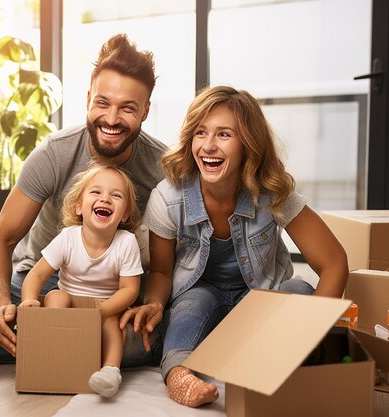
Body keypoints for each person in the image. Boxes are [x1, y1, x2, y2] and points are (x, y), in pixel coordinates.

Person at [120, 85, 349, 408]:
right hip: (202, 297)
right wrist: (156, 302)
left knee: (299, 288)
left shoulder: (272, 192)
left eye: (224, 134)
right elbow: (160, 270)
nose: (208, 146)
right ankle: (179, 373)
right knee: (189, 306)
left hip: (260, 302)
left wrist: (319, 330)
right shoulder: (168, 198)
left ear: (248, 144)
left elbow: (334, 263)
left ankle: (268, 364)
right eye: (200, 133)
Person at [0, 33, 168, 365]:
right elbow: (1, 236)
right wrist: (0, 306)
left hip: (118, 288)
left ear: (145, 111)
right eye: (102, 103)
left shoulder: (161, 167)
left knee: (151, 335)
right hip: (46, 281)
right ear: (88, 99)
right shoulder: (54, 154)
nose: (111, 119)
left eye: (127, 108)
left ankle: (56, 347)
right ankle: (63, 344)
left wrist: (152, 304)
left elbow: (166, 265)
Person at [19, 163, 142, 397]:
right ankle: (56, 348)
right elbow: (36, 274)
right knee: (56, 296)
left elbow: (130, 290)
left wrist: (104, 309)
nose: (105, 199)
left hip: (104, 306)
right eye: (96, 192)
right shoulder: (68, 238)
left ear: (125, 213)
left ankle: (110, 370)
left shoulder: (126, 242)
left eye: (116, 196)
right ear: (78, 206)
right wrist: (28, 301)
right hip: (69, 302)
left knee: (113, 325)